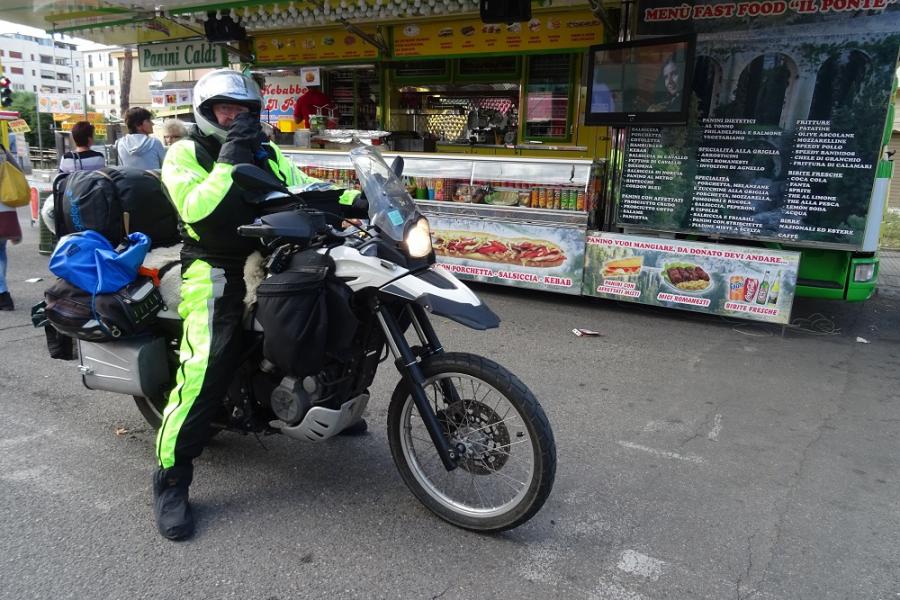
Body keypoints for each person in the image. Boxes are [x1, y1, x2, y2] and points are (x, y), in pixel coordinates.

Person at [154, 69, 366, 541]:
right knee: (205, 366)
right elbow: (201, 213)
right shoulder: (184, 152)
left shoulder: (266, 152)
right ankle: (171, 479)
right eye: (228, 110)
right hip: (214, 265)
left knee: (334, 311)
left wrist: (358, 198)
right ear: (207, 113)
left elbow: (303, 185)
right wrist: (231, 155)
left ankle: (331, 401)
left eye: (246, 110)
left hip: (272, 255)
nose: (238, 118)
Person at [0, 147, 23, 311]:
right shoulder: (2, 150)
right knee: (0, 251)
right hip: (5, 209)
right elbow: (19, 171)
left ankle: (3, 294)